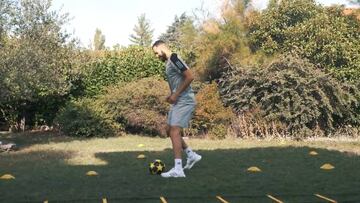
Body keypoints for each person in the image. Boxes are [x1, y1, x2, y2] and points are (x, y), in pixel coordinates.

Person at [152, 40, 202, 178]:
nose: (157, 56)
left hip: (185, 100)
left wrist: (176, 94)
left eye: (156, 53)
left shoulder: (174, 58)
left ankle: (178, 169)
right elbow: (178, 81)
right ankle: (191, 155)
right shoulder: (169, 62)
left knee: (174, 131)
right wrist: (172, 95)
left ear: (161, 47)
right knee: (169, 130)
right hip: (178, 100)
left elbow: (190, 76)